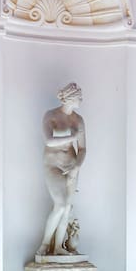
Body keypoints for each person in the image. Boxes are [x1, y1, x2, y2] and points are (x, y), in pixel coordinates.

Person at [38, 83, 86, 260]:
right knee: (61, 205)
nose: (81, 99)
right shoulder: (51, 116)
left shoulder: (78, 120)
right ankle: (44, 244)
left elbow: (82, 149)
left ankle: (58, 247)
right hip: (53, 165)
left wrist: (76, 167)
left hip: (72, 166)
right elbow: (49, 141)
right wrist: (72, 136)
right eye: (79, 96)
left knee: (67, 209)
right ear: (70, 98)